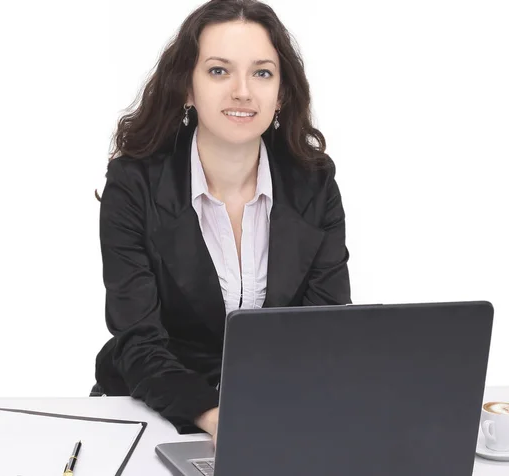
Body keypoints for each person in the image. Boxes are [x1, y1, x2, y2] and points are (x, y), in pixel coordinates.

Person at [91, 0, 351, 444]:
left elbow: (327, 331)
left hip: (275, 411)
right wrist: (217, 418)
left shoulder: (314, 183)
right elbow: (138, 342)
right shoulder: (133, 185)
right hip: (157, 409)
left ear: (282, 93)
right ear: (187, 88)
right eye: (218, 71)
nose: (242, 91)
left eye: (262, 73)